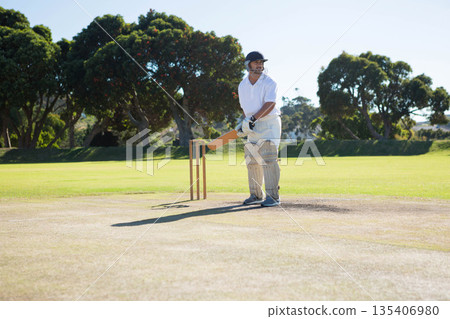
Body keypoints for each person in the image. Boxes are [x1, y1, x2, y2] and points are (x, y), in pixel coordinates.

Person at [237, 51, 282, 207]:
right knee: (252, 159)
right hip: (252, 123)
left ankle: (273, 197)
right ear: (248, 65)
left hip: (269, 123)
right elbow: (245, 107)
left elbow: (270, 104)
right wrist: (245, 121)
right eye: (256, 62)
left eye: (261, 62)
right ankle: (256, 195)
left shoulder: (270, 82)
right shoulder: (242, 85)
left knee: (269, 158)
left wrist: (253, 119)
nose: (260, 65)